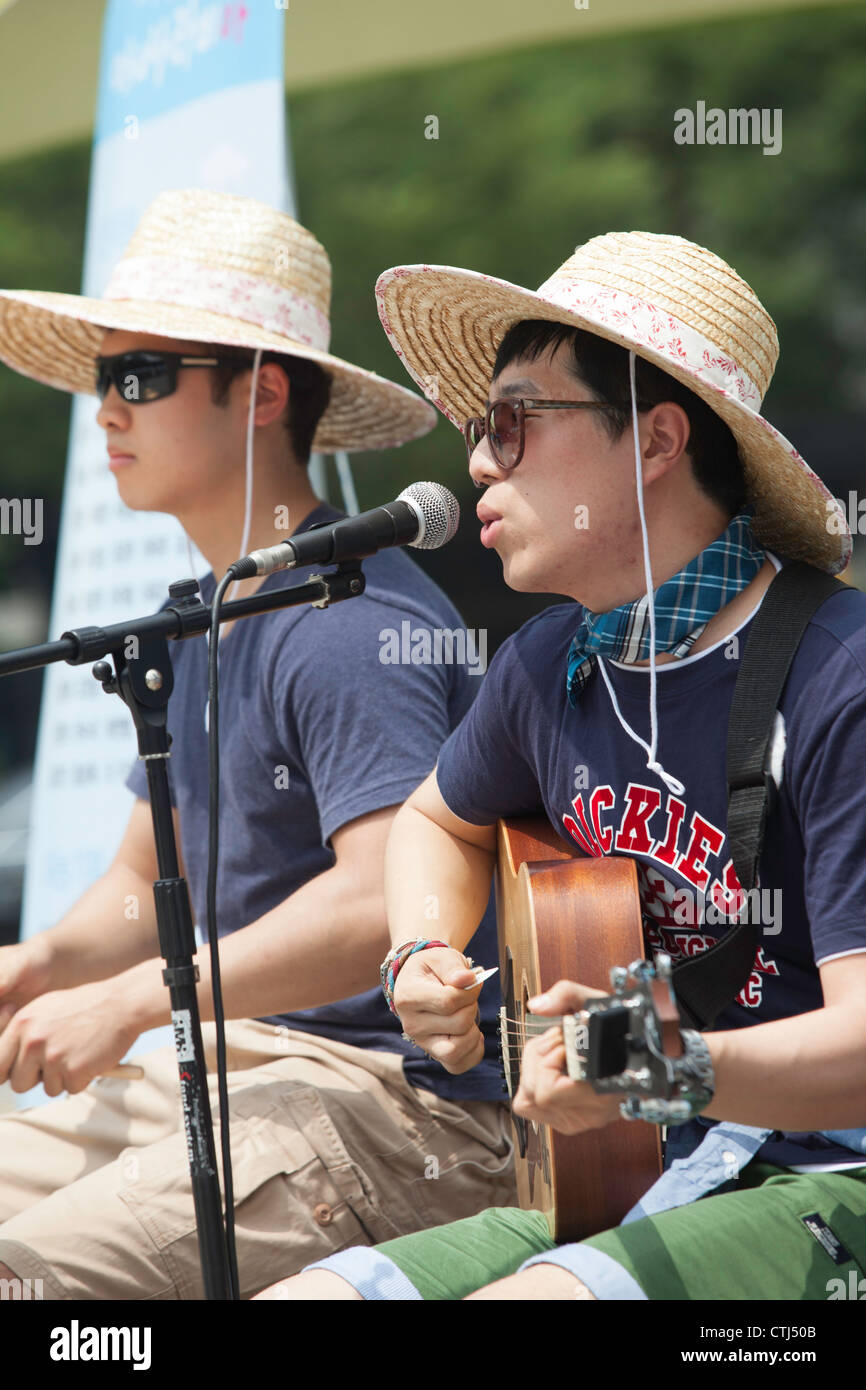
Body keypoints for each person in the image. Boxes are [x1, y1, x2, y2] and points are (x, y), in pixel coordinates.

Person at [260, 230, 866, 1301]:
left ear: (654, 439)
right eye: (474, 429)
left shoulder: (838, 675)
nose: (478, 462)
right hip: (652, 1175)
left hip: (833, 1176)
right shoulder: (546, 666)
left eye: (511, 423)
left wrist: (667, 1069)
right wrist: (415, 956)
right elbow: (433, 820)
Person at [0, 189, 515, 1300]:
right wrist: (37, 967)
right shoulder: (204, 612)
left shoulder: (347, 624)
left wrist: (137, 998)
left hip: (394, 1104)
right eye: (102, 379)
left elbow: (385, 896)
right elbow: (146, 883)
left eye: (139, 378)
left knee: (23, 1279)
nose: (106, 413)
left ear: (260, 394)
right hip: (238, 1066)